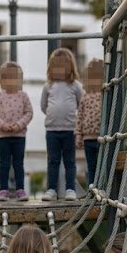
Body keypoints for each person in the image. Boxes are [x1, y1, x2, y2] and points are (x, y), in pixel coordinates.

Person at [40, 48, 84, 201]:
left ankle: (70, 189)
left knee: (70, 161)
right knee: (53, 160)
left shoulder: (75, 86)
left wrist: (71, 117)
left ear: (70, 67)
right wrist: (54, 116)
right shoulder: (48, 86)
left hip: (70, 130)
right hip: (52, 130)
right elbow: (44, 106)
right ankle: (51, 189)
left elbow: (82, 103)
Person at [0, 61, 33, 201]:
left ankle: (20, 190)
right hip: (3, 136)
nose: (11, 81)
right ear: (1, 80)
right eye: (8, 78)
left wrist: (19, 125)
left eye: (15, 78)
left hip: (19, 135)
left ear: (20, 80)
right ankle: (3, 190)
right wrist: (2, 125)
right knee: (4, 164)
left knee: (19, 163)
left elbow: (29, 113)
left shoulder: (23, 96)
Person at [75, 58, 103, 186]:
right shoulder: (84, 97)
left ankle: (102, 187)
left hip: (102, 137)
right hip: (88, 137)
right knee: (91, 165)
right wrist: (78, 135)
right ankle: (92, 189)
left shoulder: (105, 95)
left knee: (102, 165)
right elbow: (79, 116)